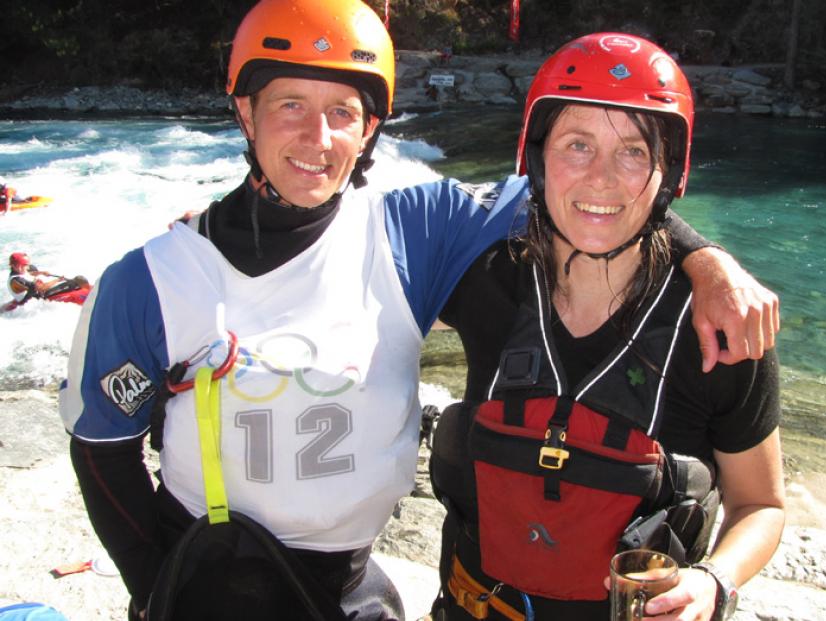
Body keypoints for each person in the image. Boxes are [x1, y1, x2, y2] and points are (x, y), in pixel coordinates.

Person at [59, 2, 777, 619]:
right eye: (290, 105)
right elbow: (101, 450)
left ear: (370, 127)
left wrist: (704, 258)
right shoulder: (151, 278)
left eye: (342, 111)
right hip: (210, 569)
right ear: (244, 109)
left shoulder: (415, 231)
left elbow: (587, 197)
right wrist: (154, 585)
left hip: (347, 586)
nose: (318, 138)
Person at [429, 34, 785, 621]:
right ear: (536, 158)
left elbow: (761, 503)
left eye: (634, 152)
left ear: (667, 173)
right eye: (577, 145)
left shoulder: (719, 327)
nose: (602, 179)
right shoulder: (483, 280)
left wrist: (714, 580)